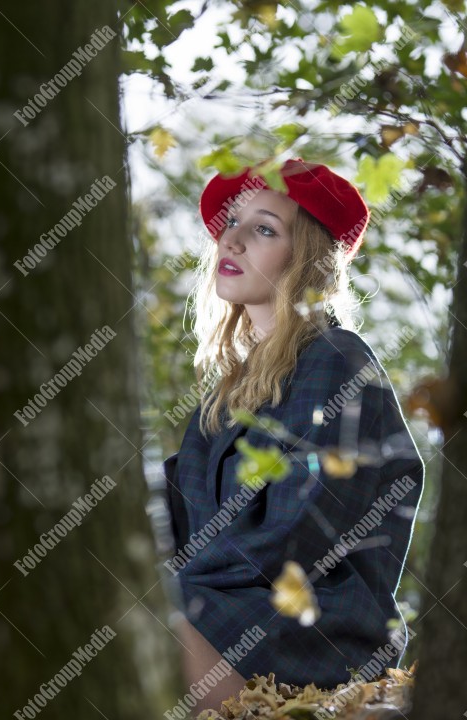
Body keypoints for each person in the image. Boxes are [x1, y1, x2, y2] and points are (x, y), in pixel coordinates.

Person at [162, 158, 425, 713]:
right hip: (223, 604)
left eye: (263, 229)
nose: (230, 239)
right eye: (232, 222)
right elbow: (177, 517)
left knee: (134, 617)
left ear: (306, 262)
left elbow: (295, 541)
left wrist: (170, 585)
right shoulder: (226, 393)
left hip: (316, 625)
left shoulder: (337, 361)